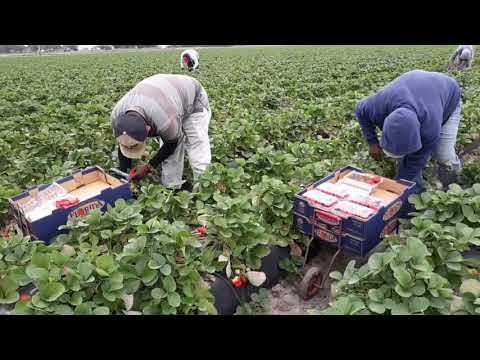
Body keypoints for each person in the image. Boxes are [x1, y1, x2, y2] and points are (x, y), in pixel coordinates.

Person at [355, 70, 463, 192]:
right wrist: (372, 142)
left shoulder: (429, 129)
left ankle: (455, 179)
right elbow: (360, 111)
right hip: (417, 88)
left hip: (449, 95)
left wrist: (397, 189)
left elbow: (415, 162)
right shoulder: (376, 107)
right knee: (407, 165)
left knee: (444, 155)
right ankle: (416, 188)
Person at [111, 74, 212, 189]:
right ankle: (172, 189)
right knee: (169, 156)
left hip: (193, 99)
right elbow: (124, 144)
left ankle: (205, 188)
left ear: (148, 130)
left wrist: (149, 167)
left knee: (196, 148)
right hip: (162, 94)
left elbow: (171, 145)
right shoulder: (116, 117)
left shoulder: (164, 120)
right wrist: (125, 175)